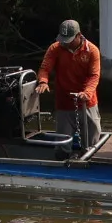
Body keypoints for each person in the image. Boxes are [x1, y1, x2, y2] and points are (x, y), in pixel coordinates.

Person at [37, 19, 102, 148]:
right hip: (64, 101)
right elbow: (45, 68)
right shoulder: (55, 48)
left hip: (87, 101)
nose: (65, 44)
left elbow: (94, 75)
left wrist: (87, 93)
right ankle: (61, 160)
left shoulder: (92, 51)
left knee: (92, 138)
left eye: (69, 40)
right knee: (62, 142)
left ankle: (89, 159)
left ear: (79, 35)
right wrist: (43, 82)